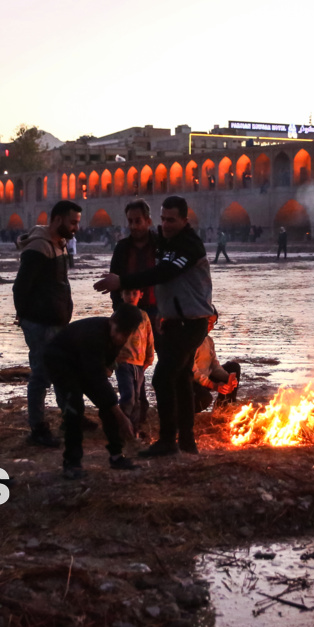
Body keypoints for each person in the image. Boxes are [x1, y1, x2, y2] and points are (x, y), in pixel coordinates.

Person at [94, 195, 214, 457]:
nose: (166, 224)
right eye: (163, 219)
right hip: (170, 321)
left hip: (191, 323)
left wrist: (123, 281)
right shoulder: (163, 242)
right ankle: (186, 441)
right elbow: (164, 280)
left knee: (162, 377)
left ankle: (169, 440)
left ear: (185, 219)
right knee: (181, 379)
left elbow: (164, 274)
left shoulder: (189, 245)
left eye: (172, 220)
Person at [44, 306, 143, 479]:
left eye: (125, 334)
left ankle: (116, 455)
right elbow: (96, 378)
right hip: (60, 361)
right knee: (75, 408)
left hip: (84, 362)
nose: (119, 337)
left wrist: (114, 408)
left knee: (108, 405)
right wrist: (121, 416)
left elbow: (102, 373)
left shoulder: (117, 339)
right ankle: (72, 462)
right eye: (117, 331)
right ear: (112, 322)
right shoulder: (94, 335)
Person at [14, 200, 81, 447]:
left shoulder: (59, 245)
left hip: (56, 322)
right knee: (41, 375)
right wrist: (25, 317)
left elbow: (60, 285)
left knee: (62, 371)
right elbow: (21, 287)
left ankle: (70, 416)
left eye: (77, 222)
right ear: (57, 220)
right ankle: (38, 427)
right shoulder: (39, 248)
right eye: (72, 222)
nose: (75, 227)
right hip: (40, 324)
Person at [109, 199, 160, 324]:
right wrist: (120, 310)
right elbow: (115, 284)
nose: (133, 226)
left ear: (148, 221)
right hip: (129, 313)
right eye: (130, 221)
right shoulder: (122, 248)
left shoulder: (160, 245)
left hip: (157, 313)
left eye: (138, 221)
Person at [115, 289, 154, 439]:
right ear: (121, 294)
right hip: (123, 362)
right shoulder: (118, 315)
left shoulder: (144, 316)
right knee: (128, 396)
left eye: (134, 293)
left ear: (141, 294)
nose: (131, 297)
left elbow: (149, 338)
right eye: (127, 293)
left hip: (139, 363)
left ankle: (134, 427)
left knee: (137, 397)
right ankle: (123, 427)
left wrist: (149, 358)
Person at [193, 314, 241, 411]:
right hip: (190, 383)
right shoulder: (190, 342)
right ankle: (183, 414)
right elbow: (192, 372)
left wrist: (228, 378)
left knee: (233, 367)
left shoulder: (208, 340)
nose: (212, 326)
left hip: (205, 377)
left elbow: (214, 366)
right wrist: (214, 386)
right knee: (205, 398)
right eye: (209, 322)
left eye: (213, 323)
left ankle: (224, 407)